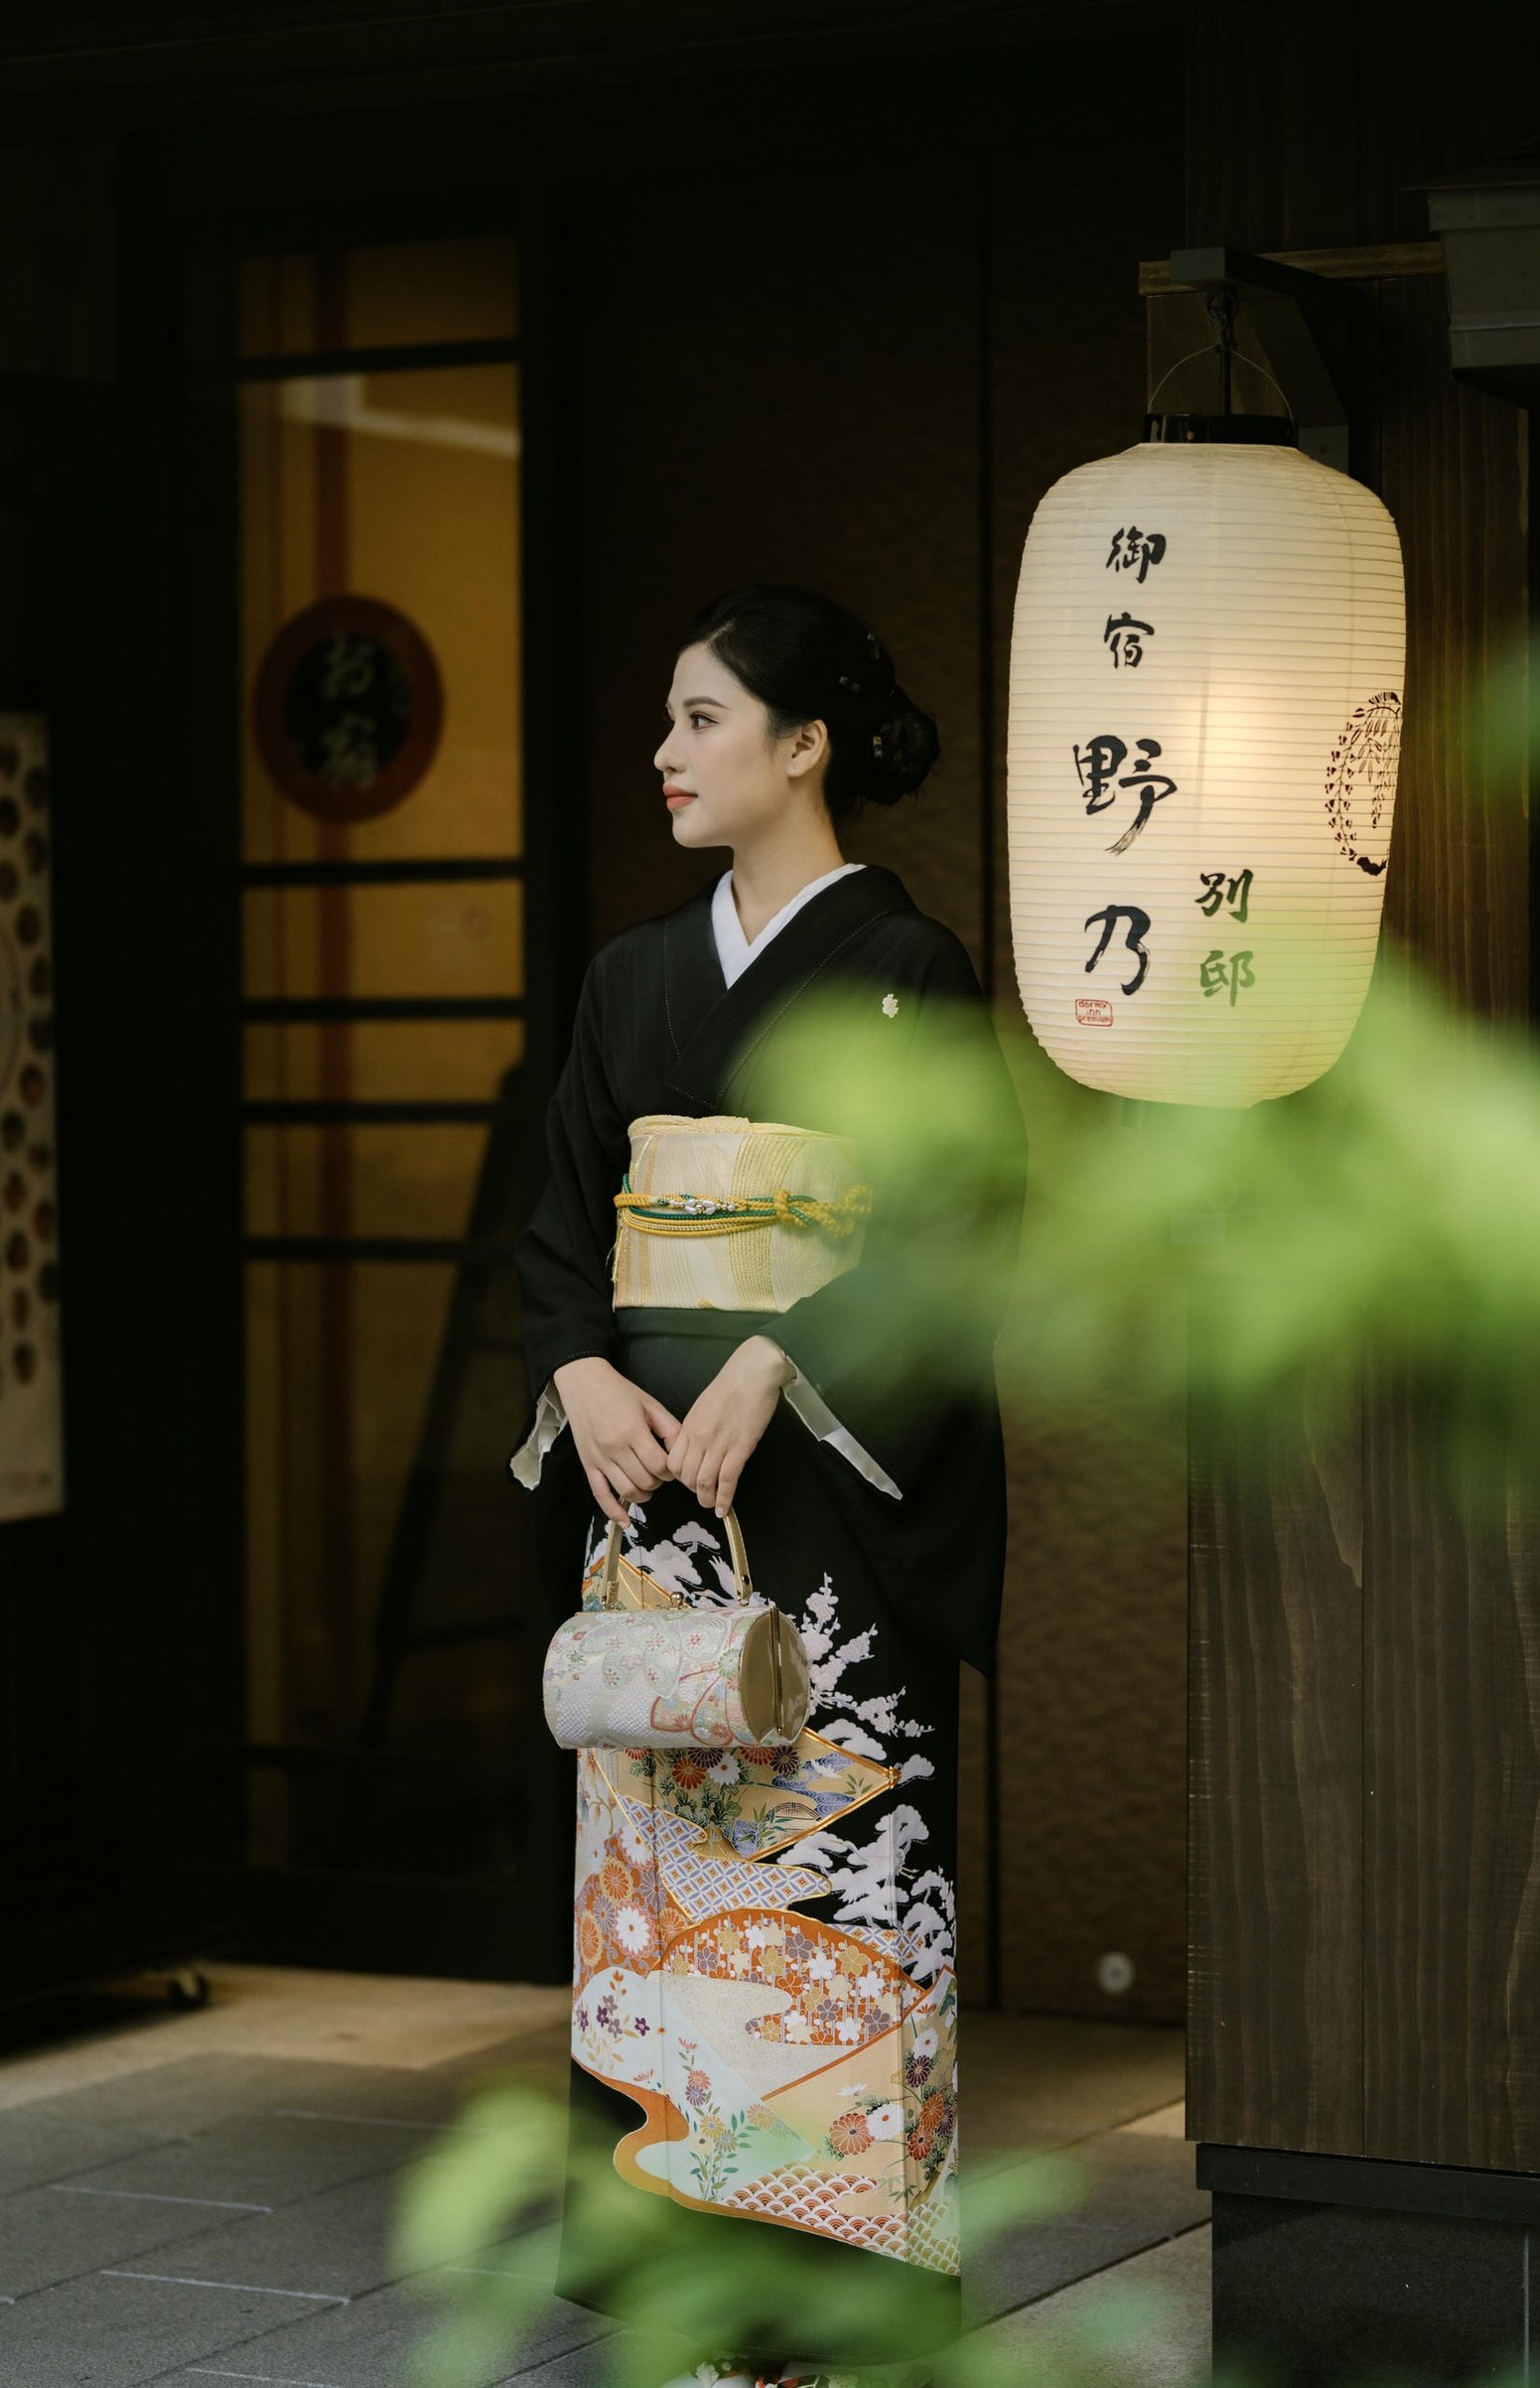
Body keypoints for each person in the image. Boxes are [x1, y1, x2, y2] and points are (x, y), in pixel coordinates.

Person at [508, 583, 1027, 2388]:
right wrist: (581, 1366)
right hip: (649, 1500)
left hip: (826, 1515)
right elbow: (563, 1221)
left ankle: (834, 2316)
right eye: (668, 718)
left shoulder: (912, 967)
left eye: (702, 717)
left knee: (829, 1905)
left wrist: (777, 1353)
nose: (665, 751)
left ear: (805, 746)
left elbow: (960, 1228)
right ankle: (689, 2303)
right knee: (659, 1910)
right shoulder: (629, 977)